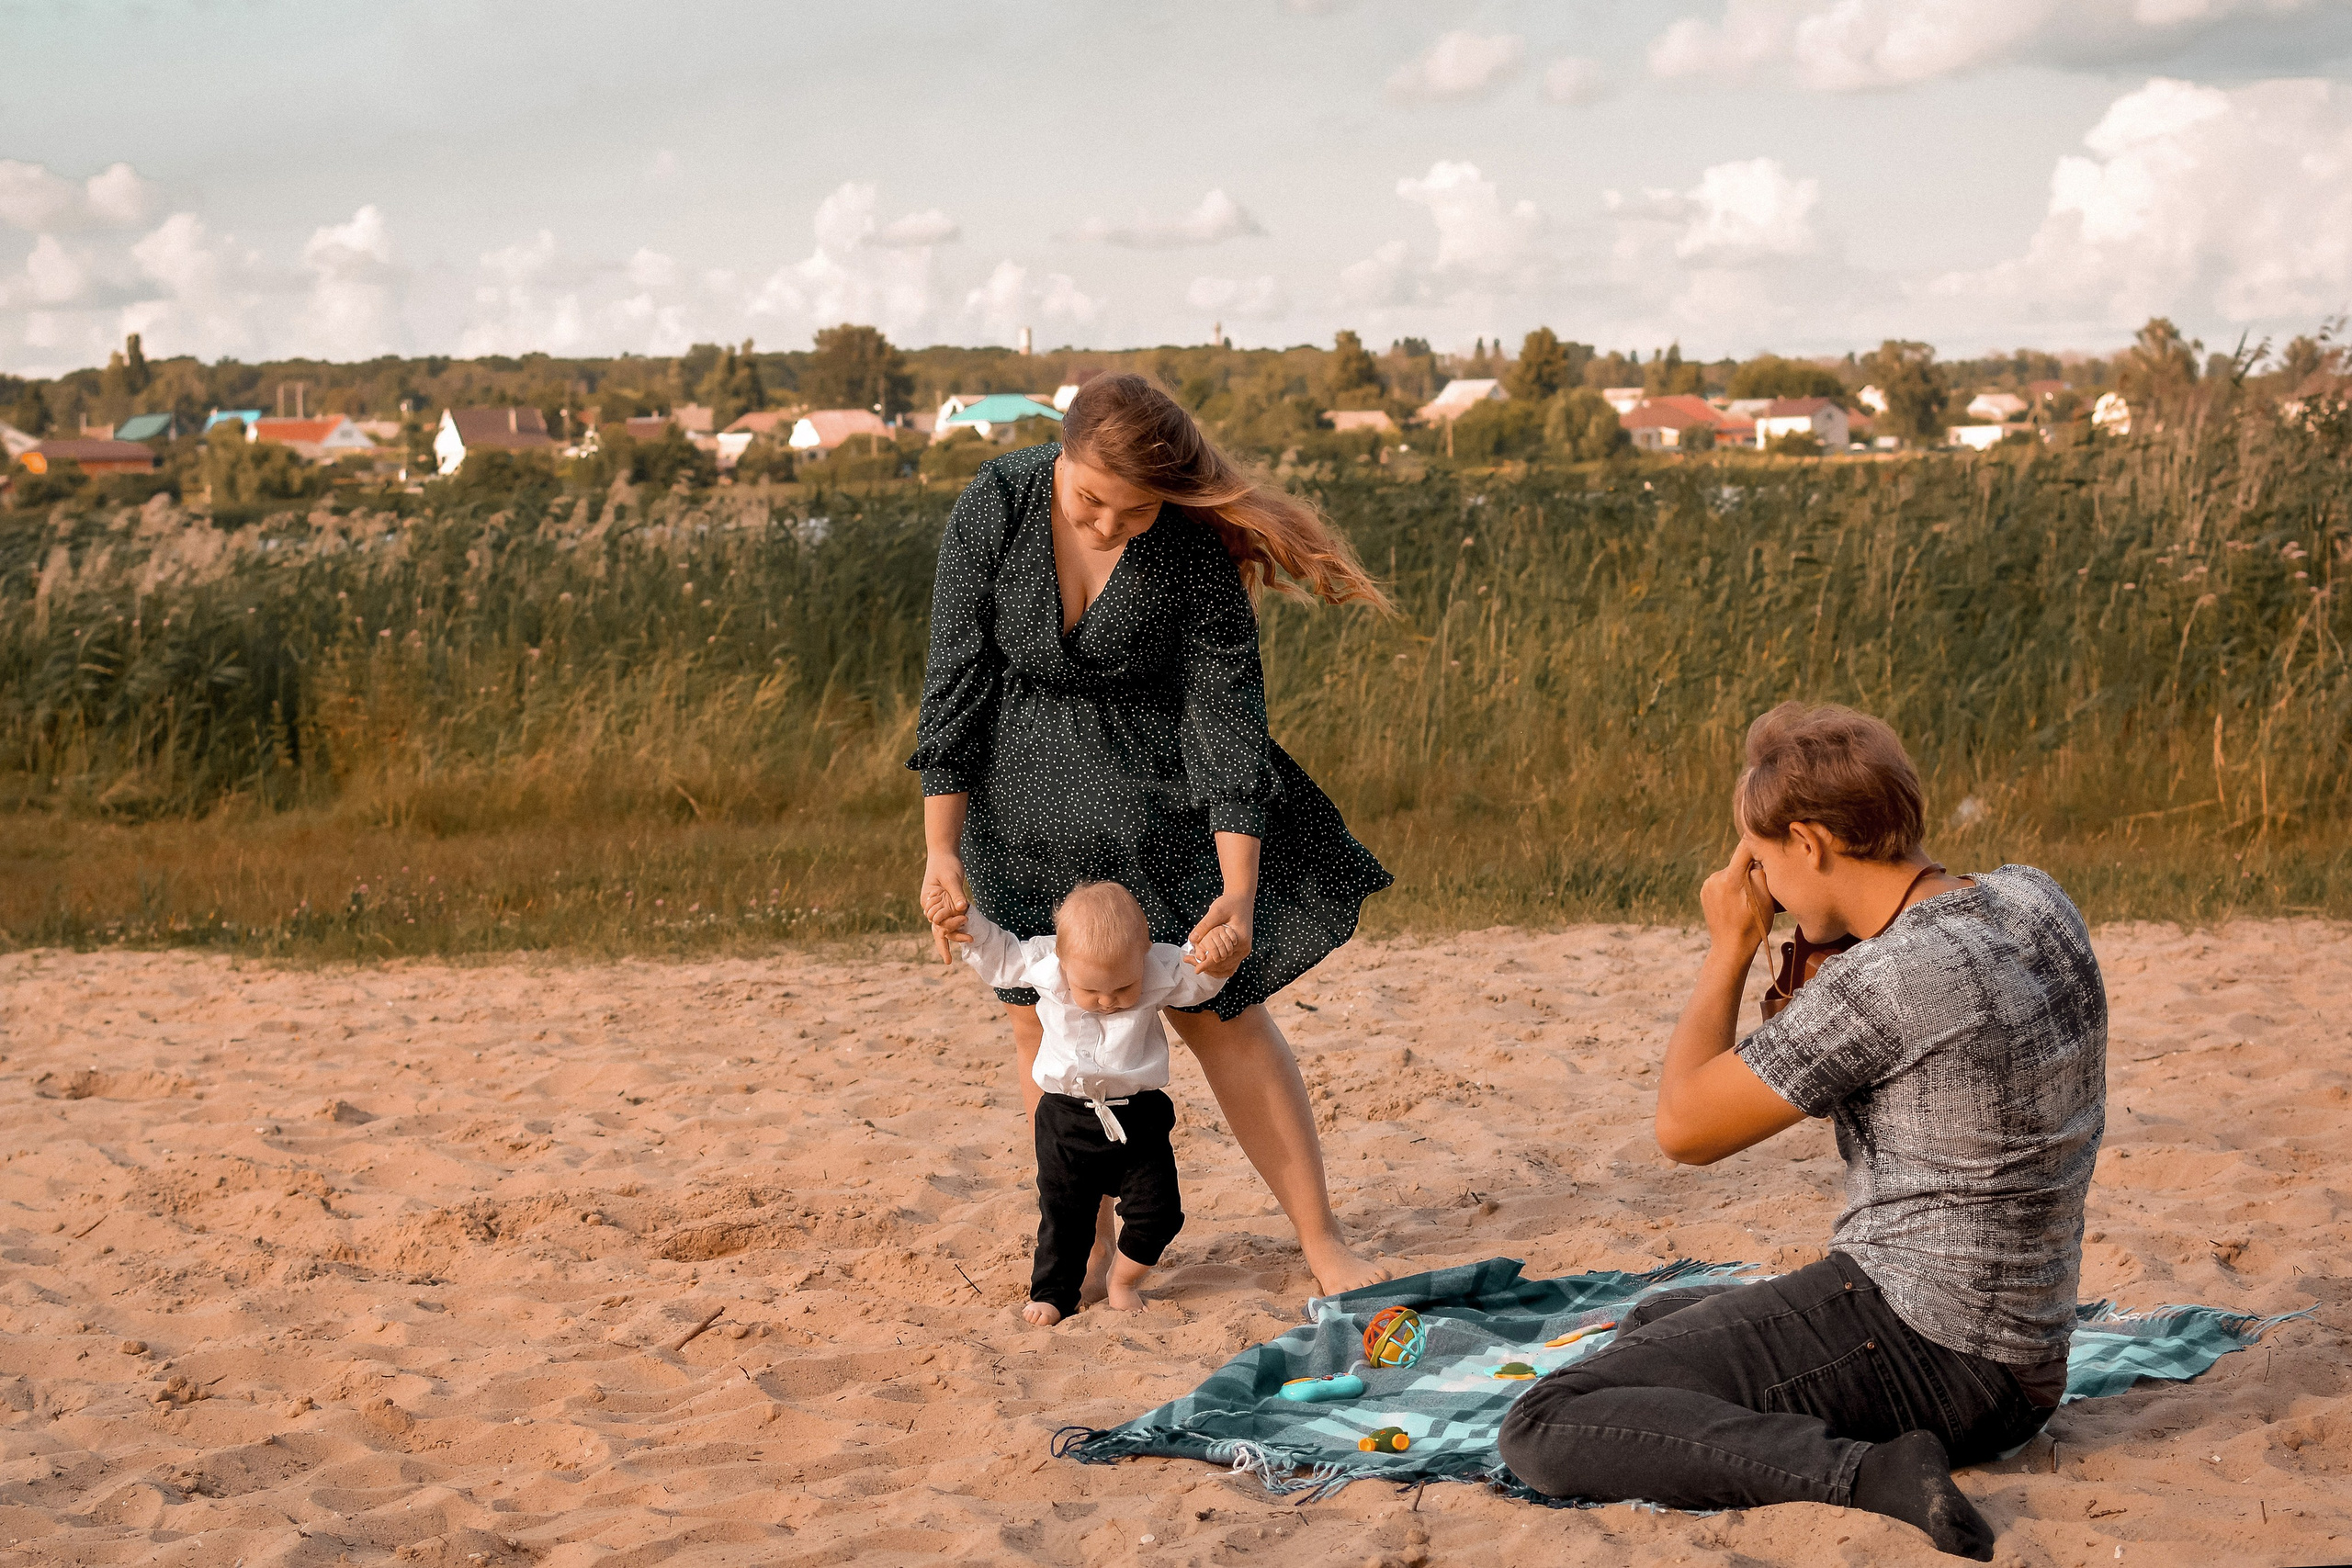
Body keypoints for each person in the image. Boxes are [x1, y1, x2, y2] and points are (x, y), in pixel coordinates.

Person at [1497, 703, 2107, 1562]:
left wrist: (1729, 946)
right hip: (2029, 1360)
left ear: (1809, 842)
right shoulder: (2037, 899)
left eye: (1761, 859)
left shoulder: (1886, 979)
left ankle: (1866, 1473)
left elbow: (1684, 1126)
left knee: (1545, 1422)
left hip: (1926, 1343)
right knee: (1658, 1318)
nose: (1761, 884)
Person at [908, 372, 1396, 1299]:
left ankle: (1321, 1237)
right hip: (1018, 822)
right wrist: (941, 848)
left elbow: (1226, 724)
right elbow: (955, 683)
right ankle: (1086, 1248)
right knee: (1042, 1027)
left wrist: (1238, 892)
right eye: (1091, 501)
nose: (1108, 526)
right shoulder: (995, 504)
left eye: (1134, 512)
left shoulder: (1190, 547)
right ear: (1062, 452)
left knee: (1224, 1015)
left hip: (1156, 812)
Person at [930, 880, 1240, 1325]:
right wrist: (966, 922)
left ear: (1144, 954)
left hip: (1138, 1118)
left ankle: (1122, 1280)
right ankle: (1053, 1294)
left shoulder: (1156, 968)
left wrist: (1220, 954)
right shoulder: (1046, 965)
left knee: (1159, 1213)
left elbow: (1198, 977)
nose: (1108, 1001)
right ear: (1062, 961)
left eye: (1124, 987)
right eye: (1091, 990)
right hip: (1065, 1119)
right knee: (1063, 1216)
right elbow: (1000, 955)